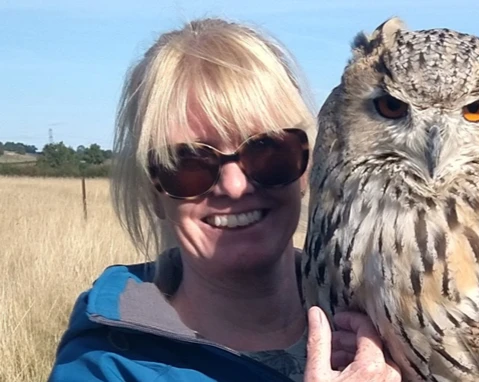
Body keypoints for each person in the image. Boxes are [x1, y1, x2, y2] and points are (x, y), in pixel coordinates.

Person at [48, 18, 400, 382]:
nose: (234, 187)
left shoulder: (390, 322)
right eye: (189, 164)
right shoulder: (106, 367)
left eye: (267, 151)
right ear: (153, 192)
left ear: (307, 165)